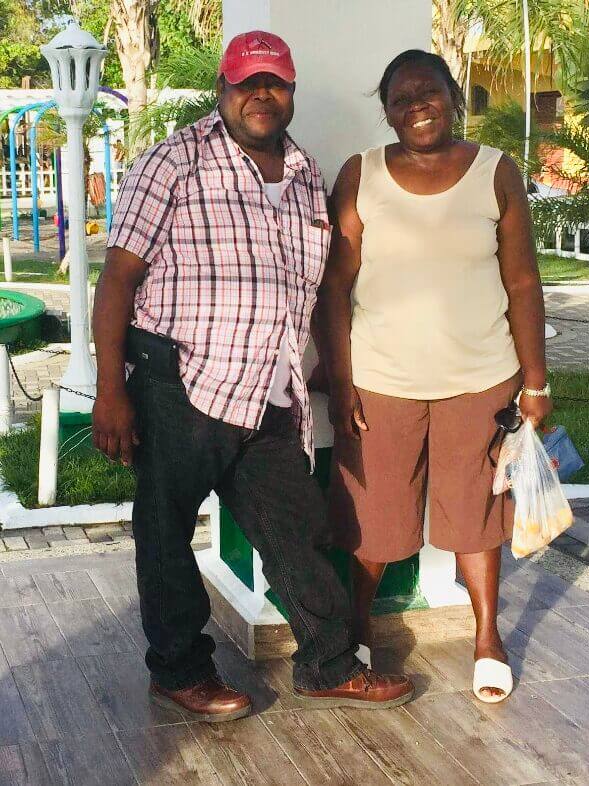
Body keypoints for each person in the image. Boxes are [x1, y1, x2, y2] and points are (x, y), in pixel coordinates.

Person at [92, 30, 413, 722]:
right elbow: (118, 279)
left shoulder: (302, 173)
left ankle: (327, 665)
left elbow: (311, 284)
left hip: (267, 391)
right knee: (166, 532)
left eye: (274, 82)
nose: (260, 95)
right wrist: (110, 390)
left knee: (299, 529)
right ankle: (178, 670)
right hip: (176, 380)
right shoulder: (174, 161)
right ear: (222, 90)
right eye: (246, 82)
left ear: (290, 91)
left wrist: (326, 363)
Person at [317, 50, 552, 704]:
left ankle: (486, 638)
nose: (416, 105)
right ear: (386, 111)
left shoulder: (495, 172)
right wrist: (340, 383)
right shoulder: (360, 174)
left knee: (477, 516)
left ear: (453, 96)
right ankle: (356, 628)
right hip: (380, 383)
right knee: (373, 517)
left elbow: (522, 281)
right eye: (400, 97)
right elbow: (335, 286)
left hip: (479, 380)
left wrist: (534, 382)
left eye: (429, 92)